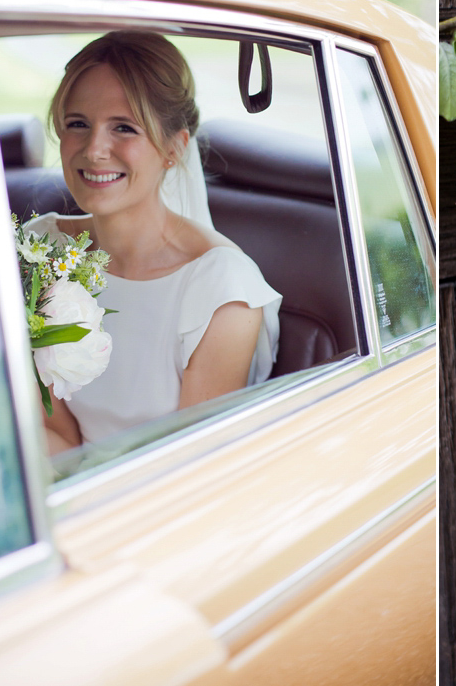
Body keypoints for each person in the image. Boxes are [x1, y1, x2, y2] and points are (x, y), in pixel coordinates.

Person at [26, 31, 280, 451]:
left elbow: (194, 466)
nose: (94, 150)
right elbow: (54, 431)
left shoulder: (222, 290)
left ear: (173, 149)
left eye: (124, 128)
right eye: (78, 124)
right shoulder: (41, 249)